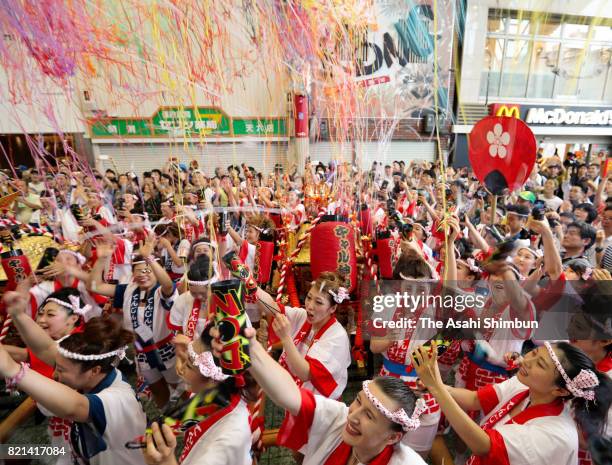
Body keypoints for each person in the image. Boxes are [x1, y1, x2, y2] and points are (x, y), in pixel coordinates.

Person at [211, 326, 427, 465]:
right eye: (358, 401)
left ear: (393, 437)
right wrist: (250, 348)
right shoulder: (340, 417)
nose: (353, 416)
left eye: (369, 416)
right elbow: (290, 395)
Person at [1, 290, 146, 465]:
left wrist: (12, 370)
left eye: (60, 370)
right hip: (70, 449)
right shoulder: (91, 370)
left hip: (86, 455)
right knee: (8, 452)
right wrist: (18, 314)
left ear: (94, 371)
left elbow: (74, 407)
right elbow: (45, 349)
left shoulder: (118, 399)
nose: (55, 374)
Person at [412, 341, 612, 465]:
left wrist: (438, 388)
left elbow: (485, 446)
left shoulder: (556, 433)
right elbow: (475, 399)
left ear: (560, 390)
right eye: (534, 353)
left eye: (540, 364)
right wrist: (434, 386)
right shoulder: (525, 385)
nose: (525, 362)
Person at [141, 324, 255, 465]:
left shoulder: (226, 439)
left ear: (213, 377)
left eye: (188, 365)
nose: (181, 369)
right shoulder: (218, 393)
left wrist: (166, 461)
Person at [89, 233, 179, 408]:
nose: (143, 275)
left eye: (149, 270)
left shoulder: (163, 290)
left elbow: (168, 284)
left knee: (180, 389)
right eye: (138, 271)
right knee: (159, 390)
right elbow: (95, 286)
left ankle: (191, 423)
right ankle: (167, 418)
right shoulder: (129, 289)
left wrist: (148, 257)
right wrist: (102, 259)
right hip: (143, 352)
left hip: (167, 350)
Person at [256, 271, 351, 400]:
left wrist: (285, 338)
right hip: (296, 396)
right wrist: (249, 283)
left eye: (318, 302)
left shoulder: (337, 337)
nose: (310, 306)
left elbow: (305, 373)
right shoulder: (302, 316)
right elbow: (272, 307)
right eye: (309, 297)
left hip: (319, 407)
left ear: (332, 308)